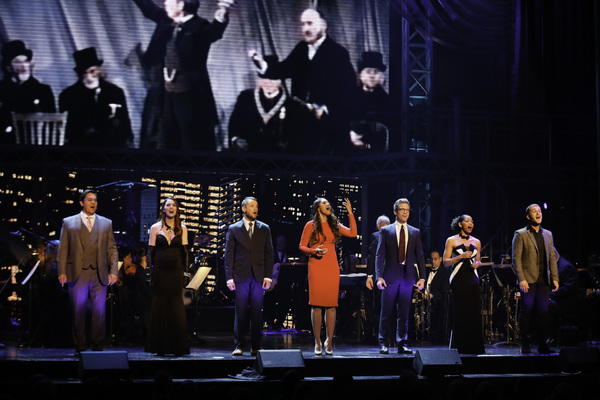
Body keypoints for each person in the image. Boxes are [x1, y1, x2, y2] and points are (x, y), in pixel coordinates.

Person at [251, 8, 356, 154]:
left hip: (330, 123)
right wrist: (262, 64)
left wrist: (324, 110)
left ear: (323, 26)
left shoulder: (338, 53)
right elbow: (283, 69)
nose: (305, 29)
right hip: (303, 120)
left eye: (310, 23)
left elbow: (348, 91)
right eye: (302, 24)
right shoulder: (301, 49)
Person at [132, 0, 234, 150]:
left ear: (181, 5)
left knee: (190, 135)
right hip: (166, 91)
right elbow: (149, 9)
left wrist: (222, 14)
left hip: (189, 92)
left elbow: (214, 33)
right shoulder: (165, 20)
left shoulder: (199, 25)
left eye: (169, 2)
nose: (165, 4)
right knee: (166, 131)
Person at [57, 189, 118, 355]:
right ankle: (80, 346)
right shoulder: (69, 222)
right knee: (78, 311)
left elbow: (111, 248)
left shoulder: (106, 223)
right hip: (77, 272)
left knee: (99, 312)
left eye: (95, 200)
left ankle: (98, 345)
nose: (93, 203)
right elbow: (63, 248)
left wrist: (114, 270)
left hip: (100, 273)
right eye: (90, 200)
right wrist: (61, 271)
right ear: (81, 202)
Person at [299, 197, 357, 355]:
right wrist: (314, 251)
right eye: (324, 203)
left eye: (328, 203)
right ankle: (317, 341)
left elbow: (353, 233)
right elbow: (302, 246)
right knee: (316, 305)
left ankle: (329, 341)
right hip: (316, 266)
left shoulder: (334, 224)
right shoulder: (310, 225)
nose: (327, 205)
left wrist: (350, 213)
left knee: (332, 305)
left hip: (332, 267)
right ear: (318, 208)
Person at [224, 196, 274, 356]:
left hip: (258, 276)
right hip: (240, 275)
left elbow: (269, 254)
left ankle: (256, 346)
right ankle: (239, 345)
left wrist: (268, 276)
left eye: (257, 206)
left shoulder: (264, 228)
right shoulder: (234, 228)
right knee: (241, 312)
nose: (255, 208)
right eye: (252, 206)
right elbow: (229, 254)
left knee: (257, 312)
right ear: (244, 209)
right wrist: (229, 277)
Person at [375, 198, 425, 354]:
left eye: (408, 210)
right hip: (389, 276)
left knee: (404, 313)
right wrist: (379, 276)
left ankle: (402, 343)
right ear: (395, 211)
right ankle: (383, 342)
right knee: (386, 312)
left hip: (408, 277)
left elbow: (420, 256)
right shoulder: (386, 231)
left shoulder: (415, 232)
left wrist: (422, 277)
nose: (405, 212)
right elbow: (379, 255)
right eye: (402, 209)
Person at [59, 47, 132, 147]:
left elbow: (124, 123)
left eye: (92, 71)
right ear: (79, 74)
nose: (89, 77)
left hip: (110, 149)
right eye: (85, 72)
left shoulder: (115, 92)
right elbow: (66, 129)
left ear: (99, 70)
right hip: (80, 149)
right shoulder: (68, 95)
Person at [512, 203, 559, 354]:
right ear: (528, 216)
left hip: (544, 280)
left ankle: (543, 345)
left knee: (544, 313)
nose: (538, 213)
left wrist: (555, 277)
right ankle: (525, 343)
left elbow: (552, 258)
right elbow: (516, 259)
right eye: (534, 211)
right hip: (528, 280)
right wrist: (521, 279)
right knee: (527, 311)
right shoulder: (520, 234)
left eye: (540, 211)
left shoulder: (548, 234)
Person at [146, 198, 191, 356]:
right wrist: (149, 273)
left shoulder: (182, 228)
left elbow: (185, 253)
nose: (171, 207)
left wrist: (185, 273)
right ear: (163, 209)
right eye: (168, 205)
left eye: (174, 205)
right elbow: (150, 253)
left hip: (175, 270)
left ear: (177, 209)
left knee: (176, 305)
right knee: (160, 304)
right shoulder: (155, 228)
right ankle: (159, 346)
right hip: (160, 270)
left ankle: (177, 346)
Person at [229, 55, 297, 153]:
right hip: (249, 155)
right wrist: (236, 139)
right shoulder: (246, 98)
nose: (268, 83)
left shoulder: (291, 105)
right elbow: (235, 123)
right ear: (258, 80)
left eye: (272, 80)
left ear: (280, 82)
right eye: (264, 80)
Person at [443, 215, 485, 354]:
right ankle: (459, 345)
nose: (470, 223)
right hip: (458, 278)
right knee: (460, 311)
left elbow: (478, 261)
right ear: (460, 224)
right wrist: (461, 257)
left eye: (472, 221)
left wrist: (477, 264)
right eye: (467, 221)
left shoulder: (477, 242)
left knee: (474, 311)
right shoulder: (451, 240)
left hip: (472, 278)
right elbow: (445, 261)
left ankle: (475, 345)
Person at [0, 40, 56, 141]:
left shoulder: (43, 90)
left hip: (37, 146)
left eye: (26, 61)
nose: (23, 66)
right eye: (17, 62)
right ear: (8, 68)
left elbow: (52, 122)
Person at [349, 51, 391, 152]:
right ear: (360, 75)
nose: (372, 76)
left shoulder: (386, 100)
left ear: (381, 77)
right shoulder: (350, 96)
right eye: (368, 72)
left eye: (376, 72)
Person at [364, 215, 390, 340]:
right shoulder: (396, 235)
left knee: (380, 306)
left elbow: (372, 257)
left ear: (378, 226)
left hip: (380, 277)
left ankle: (379, 335)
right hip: (394, 275)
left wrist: (369, 275)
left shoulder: (375, 236)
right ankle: (392, 336)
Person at [549, 248, 580, 345]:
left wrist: (549, 294)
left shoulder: (566, 267)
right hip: (556, 298)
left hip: (566, 302)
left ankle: (552, 335)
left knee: (546, 306)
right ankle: (534, 336)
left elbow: (568, 289)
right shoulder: (552, 266)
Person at [424, 249, 451, 345]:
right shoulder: (427, 272)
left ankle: (436, 337)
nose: (433, 261)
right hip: (425, 301)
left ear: (440, 259)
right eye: (431, 259)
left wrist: (432, 295)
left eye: (435, 259)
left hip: (438, 304)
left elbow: (444, 291)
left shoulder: (445, 273)